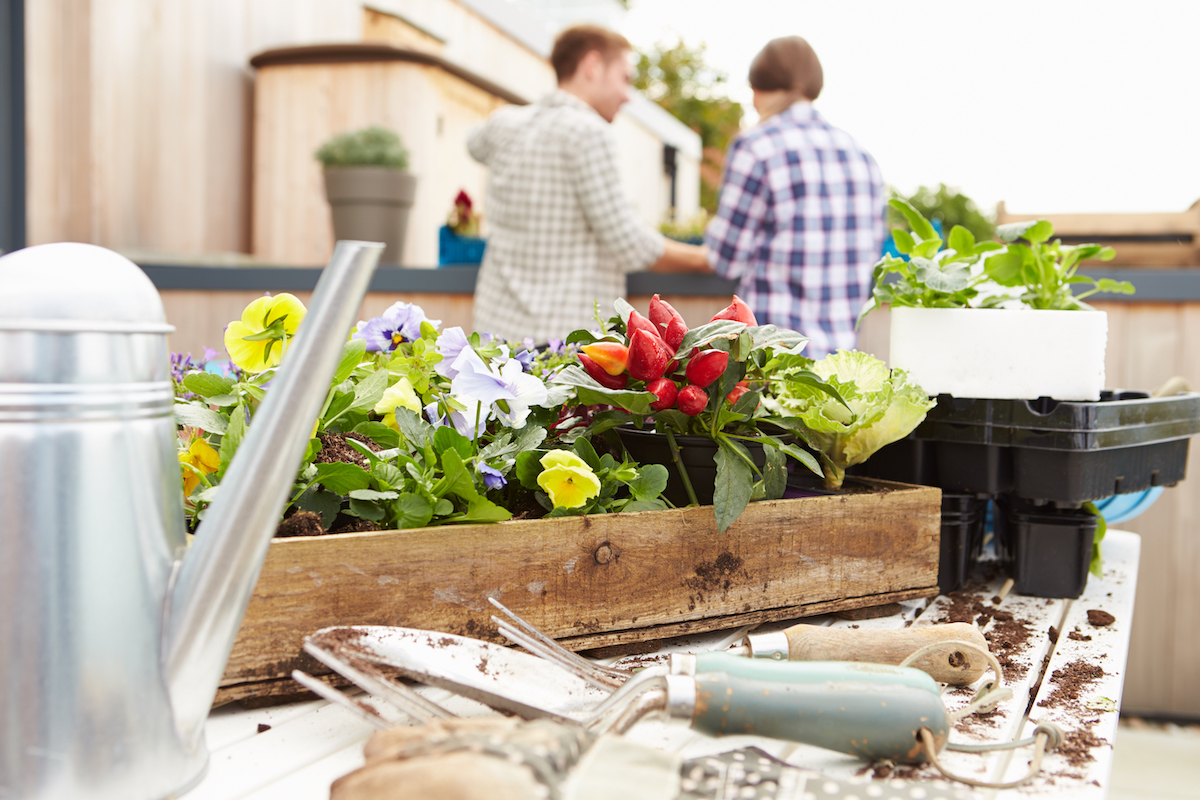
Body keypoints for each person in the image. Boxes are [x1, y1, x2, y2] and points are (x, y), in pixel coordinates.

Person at [467, 24, 711, 343]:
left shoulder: (504, 123)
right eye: (625, 79)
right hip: (560, 348)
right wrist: (708, 259)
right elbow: (630, 243)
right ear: (592, 66)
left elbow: (472, 144)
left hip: (493, 341)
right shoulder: (589, 132)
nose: (627, 96)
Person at [705, 36, 885, 359]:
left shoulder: (756, 147)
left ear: (757, 91)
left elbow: (725, 257)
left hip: (772, 360)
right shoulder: (862, 157)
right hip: (839, 369)